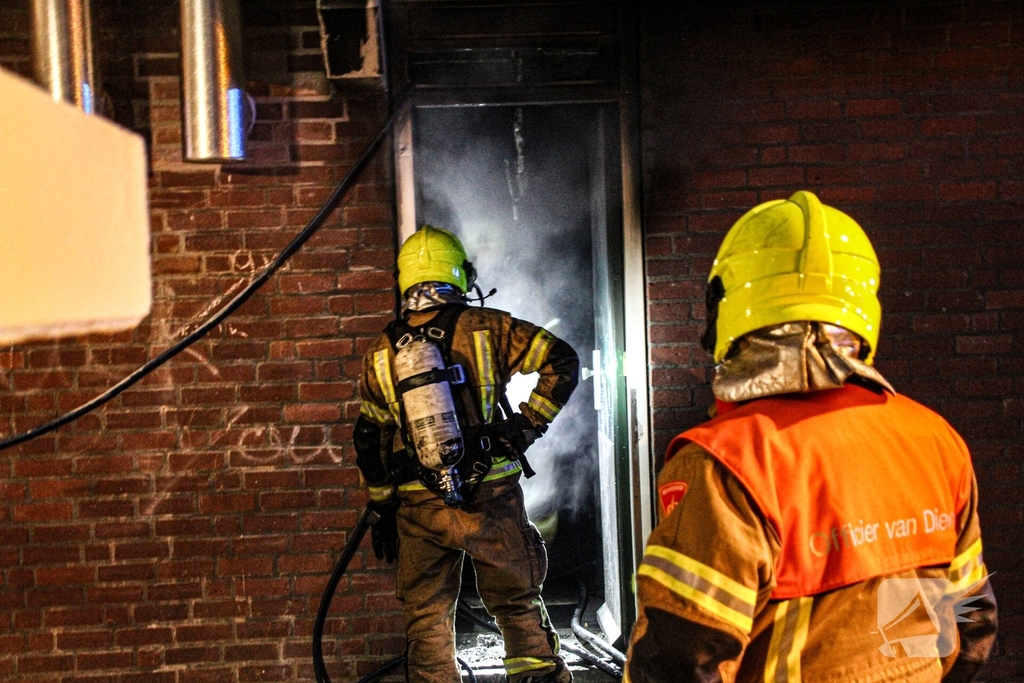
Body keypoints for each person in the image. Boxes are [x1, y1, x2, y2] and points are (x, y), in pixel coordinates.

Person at [625, 191, 997, 683]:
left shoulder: (729, 461)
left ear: (728, 307)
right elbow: (972, 626)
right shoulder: (936, 440)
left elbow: (680, 659)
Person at [354, 225, 579, 683]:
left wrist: (381, 505)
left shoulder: (381, 352)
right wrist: (525, 425)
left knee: (427, 619)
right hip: (490, 497)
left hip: (419, 505)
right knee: (516, 604)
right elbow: (562, 362)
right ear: (460, 276)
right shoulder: (489, 326)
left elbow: (368, 438)